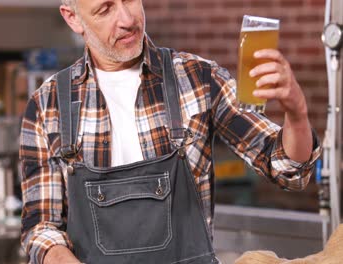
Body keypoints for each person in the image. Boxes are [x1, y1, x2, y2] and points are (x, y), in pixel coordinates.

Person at [19, 0, 322, 263]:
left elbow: (288, 171)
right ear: (73, 18)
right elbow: (41, 228)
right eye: (105, 9)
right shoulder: (48, 105)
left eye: (129, 0)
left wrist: (297, 112)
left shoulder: (198, 78)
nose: (126, 20)